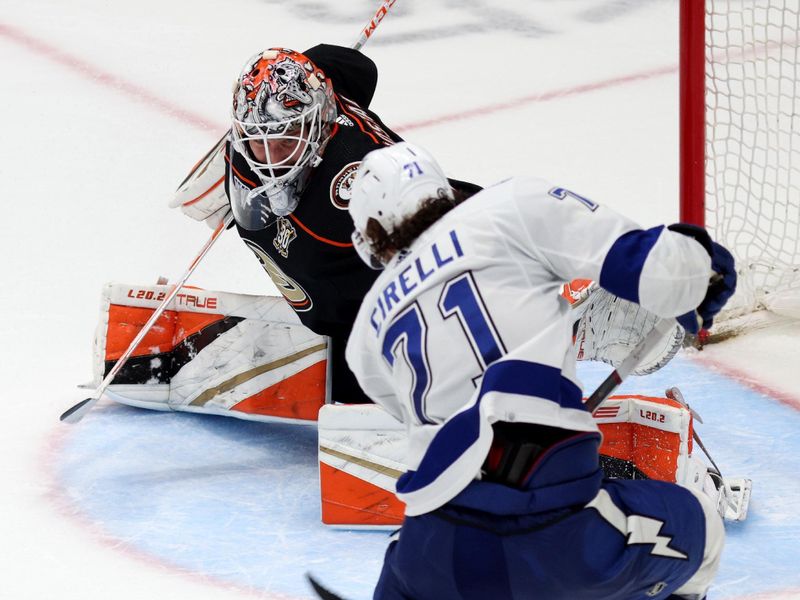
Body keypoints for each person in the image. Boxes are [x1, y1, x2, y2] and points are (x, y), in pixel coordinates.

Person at [344, 142, 736, 599]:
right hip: (554, 530)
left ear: (369, 237)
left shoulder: (365, 335)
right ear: (442, 191)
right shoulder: (505, 207)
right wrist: (703, 273)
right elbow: (658, 269)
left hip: (429, 553)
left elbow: (436, 425)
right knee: (701, 531)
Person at [171, 45, 480, 405]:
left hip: (380, 327)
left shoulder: (360, 178)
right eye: (259, 142)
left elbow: (453, 239)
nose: (270, 164)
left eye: (285, 142)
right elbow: (354, 67)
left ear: (317, 126)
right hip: (333, 309)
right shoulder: (246, 150)